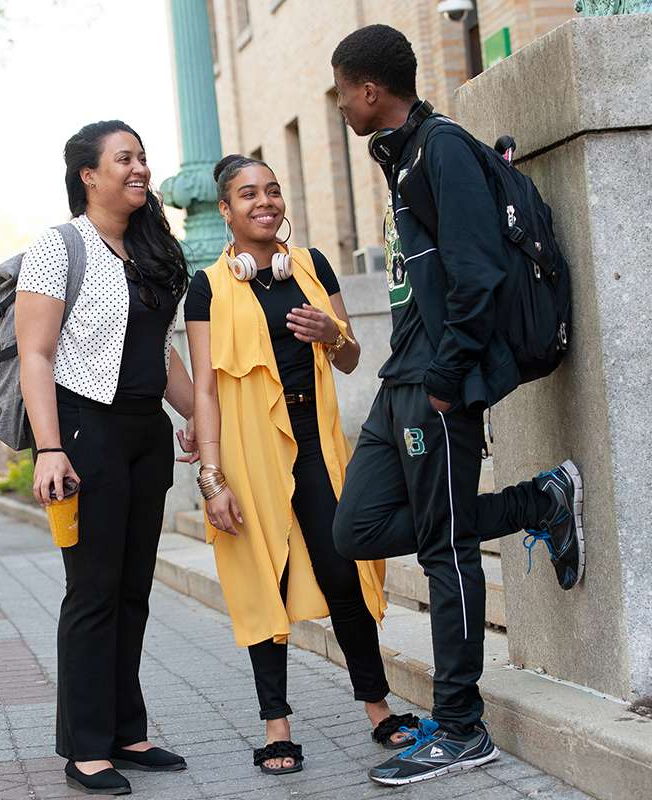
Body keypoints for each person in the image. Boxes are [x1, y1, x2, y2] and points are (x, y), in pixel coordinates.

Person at [330, 25, 586, 787]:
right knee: (357, 527)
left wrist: (446, 377)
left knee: (445, 553)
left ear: (370, 90)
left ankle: (462, 726)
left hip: (436, 384)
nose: (341, 102)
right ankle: (536, 500)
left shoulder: (439, 148)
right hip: (399, 379)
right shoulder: (402, 156)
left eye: (342, 90)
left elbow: (479, 275)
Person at [185, 154, 418, 776]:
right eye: (247, 194)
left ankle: (377, 707)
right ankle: (276, 727)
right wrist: (212, 479)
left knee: (344, 567)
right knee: (264, 579)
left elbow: (350, 356)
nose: (264, 202)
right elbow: (205, 390)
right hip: (247, 449)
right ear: (227, 211)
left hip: (316, 441)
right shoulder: (207, 287)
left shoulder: (312, 266)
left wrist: (330, 332)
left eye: (273, 190)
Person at [15, 119, 198, 796]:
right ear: (89, 175)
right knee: (92, 591)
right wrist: (50, 448)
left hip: (145, 433)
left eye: (143, 157)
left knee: (132, 588)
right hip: (84, 432)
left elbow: (162, 352)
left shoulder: (149, 250)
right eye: (125, 159)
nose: (140, 168)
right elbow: (36, 353)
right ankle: (85, 745)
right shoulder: (59, 248)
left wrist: (196, 418)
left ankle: (128, 728)